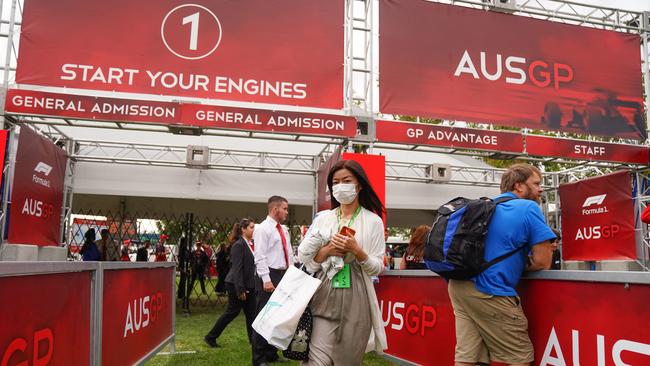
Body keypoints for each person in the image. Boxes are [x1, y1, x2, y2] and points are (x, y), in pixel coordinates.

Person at [448, 163, 556, 366]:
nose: (541, 188)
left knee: (468, 357)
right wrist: (521, 266)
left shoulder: (486, 205)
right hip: (490, 290)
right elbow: (543, 261)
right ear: (519, 186)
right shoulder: (528, 208)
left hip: (459, 285)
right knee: (519, 357)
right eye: (536, 183)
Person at [297, 159, 388, 365]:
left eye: (346, 180)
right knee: (316, 361)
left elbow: (378, 267)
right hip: (323, 293)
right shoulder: (323, 219)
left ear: (359, 184)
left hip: (356, 297)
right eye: (335, 182)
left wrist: (356, 251)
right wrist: (328, 251)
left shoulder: (373, 221)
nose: (340, 186)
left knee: (347, 360)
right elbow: (309, 262)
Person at [252, 195, 293, 366]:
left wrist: (291, 274)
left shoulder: (283, 230)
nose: (286, 212)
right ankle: (259, 358)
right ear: (275, 209)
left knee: (277, 317)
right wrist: (266, 280)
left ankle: (271, 353)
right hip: (269, 275)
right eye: (285, 208)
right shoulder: (262, 228)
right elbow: (259, 256)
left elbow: (289, 254)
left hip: (283, 275)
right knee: (264, 316)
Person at [204, 218, 257, 348]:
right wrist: (240, 289)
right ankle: (210, 337)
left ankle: (254, 341)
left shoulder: (249, 244)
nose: (254, 229)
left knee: (251, 314)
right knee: (232, 312)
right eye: (251, 227)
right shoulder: (239, 245)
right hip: (236, 284)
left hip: (247, 284)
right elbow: (237, 269)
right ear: (243, 229)